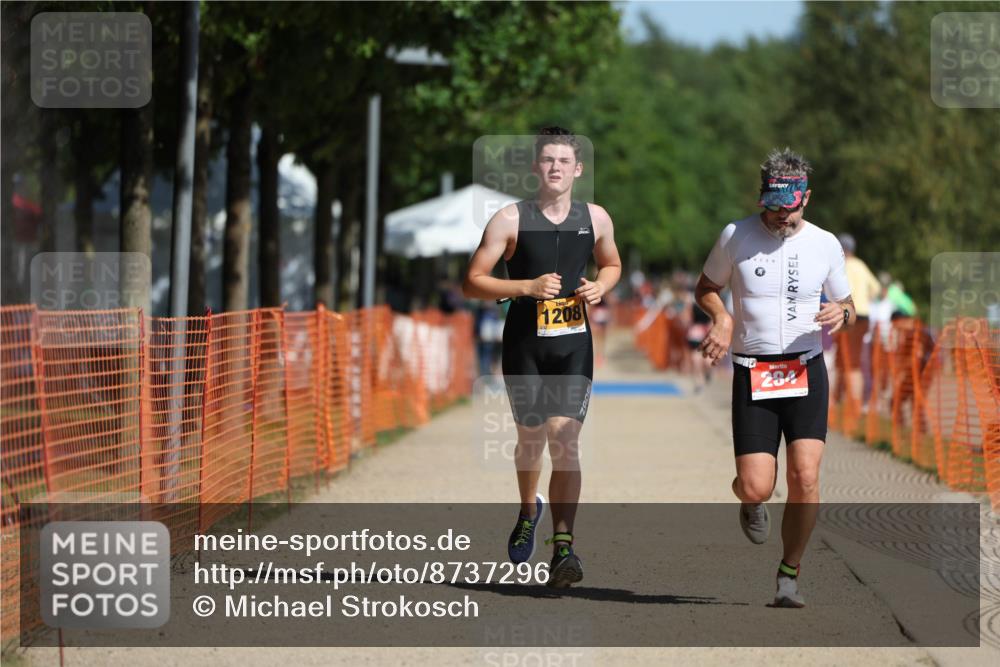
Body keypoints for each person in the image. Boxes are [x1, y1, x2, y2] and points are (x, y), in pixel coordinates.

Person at [694, 148, 855, 608]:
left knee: (805, 475)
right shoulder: (736, 235)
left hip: (805, 368)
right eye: (771, 204)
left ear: (806, 198)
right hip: (753, 371)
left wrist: (841, 312)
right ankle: (749, 500)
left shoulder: (825, 243)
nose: (778, 215)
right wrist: (722, 320)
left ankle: (789, 574)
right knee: (756, 485)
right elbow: (706, 287)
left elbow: (849, 304)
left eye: (788, 207)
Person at [462, 127, 622, 588]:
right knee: (531, 441)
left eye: (563, 161)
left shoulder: (596, 218)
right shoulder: (509, 219)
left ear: (578, 169)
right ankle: (529, 507)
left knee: (564, 439)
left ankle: (564, 549)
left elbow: (611, 263)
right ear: (536, 167)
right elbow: (473, 280)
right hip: (524, 347)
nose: (555, 167)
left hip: (574, 345)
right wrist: (525, 288)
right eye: (546, 160)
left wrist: (602, 285)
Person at [837, 233, 880, 404]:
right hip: (864, 315)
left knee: (850, 361)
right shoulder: (861, 265)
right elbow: (876, 289)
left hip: (848, 313)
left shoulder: (843, 265)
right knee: (851, 358)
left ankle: (854, 403)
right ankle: (849, 401)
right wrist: (865, 299)